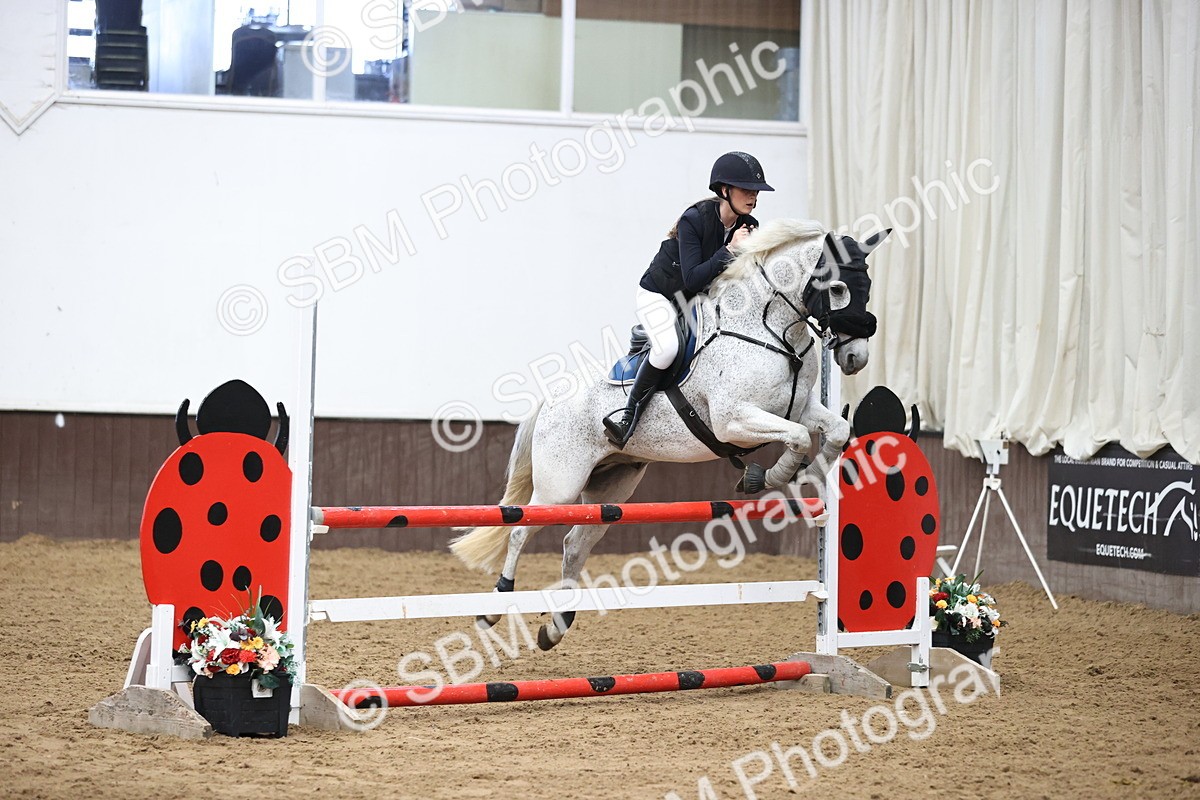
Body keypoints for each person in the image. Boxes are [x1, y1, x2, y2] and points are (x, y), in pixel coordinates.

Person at [603, 151, 774, 448]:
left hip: (698, 300)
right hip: (660, 294)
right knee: (667, 348)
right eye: (746, 189)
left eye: (756, 191)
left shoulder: (749, 226)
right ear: (724, 190)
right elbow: (693, 278)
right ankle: (627, 418)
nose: (753, 196)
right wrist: (730, 250)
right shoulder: (693, 220)